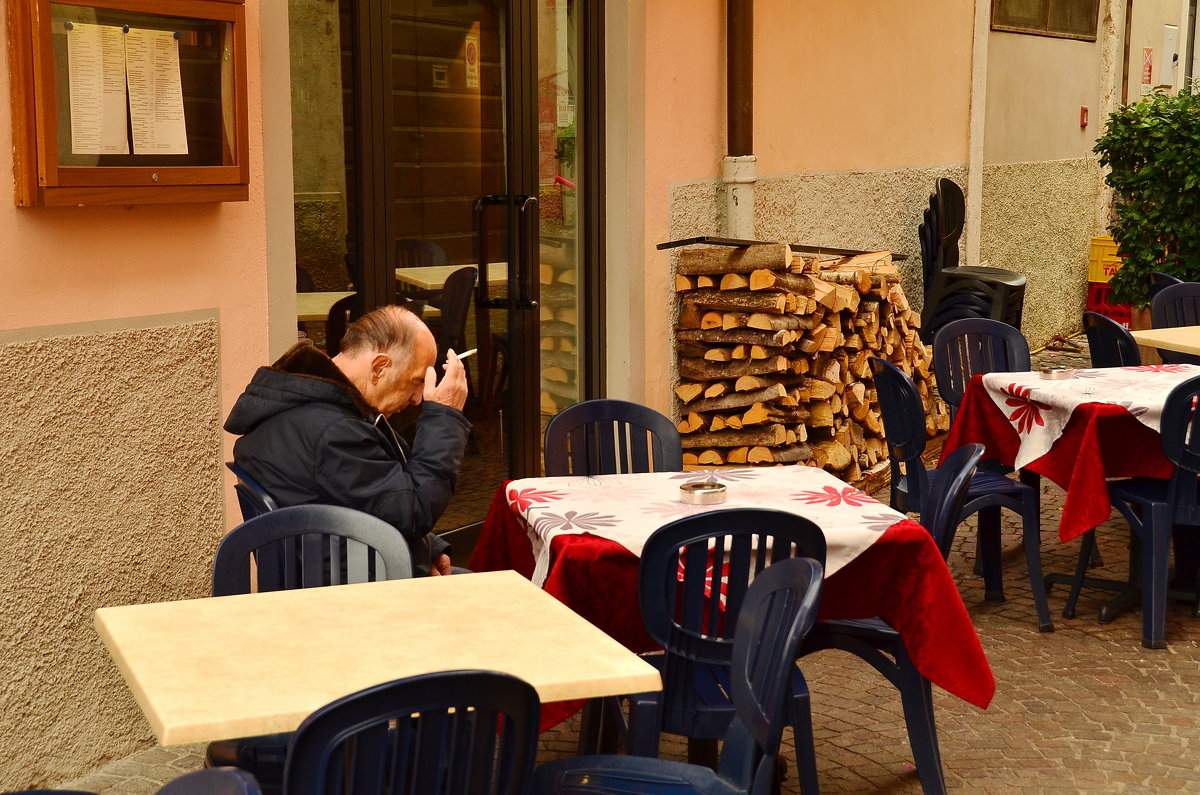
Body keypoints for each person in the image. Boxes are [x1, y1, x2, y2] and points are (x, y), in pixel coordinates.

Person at [223, 304, 470, 576]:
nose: (417, 398)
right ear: (379, 367)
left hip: (349, 566)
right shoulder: (333, 432)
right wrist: (445, 417)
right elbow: (410, 513)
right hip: (355, 592)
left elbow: (372, 498)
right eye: (415, 381)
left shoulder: (309, 407)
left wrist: (428, 548)